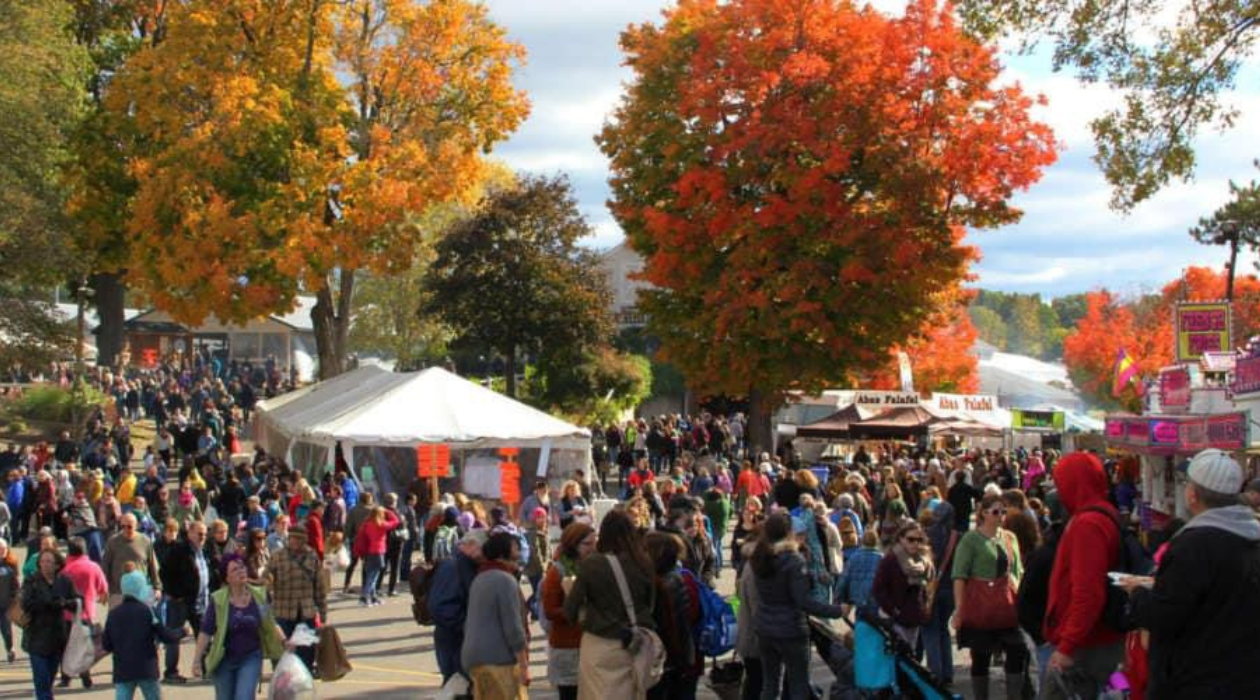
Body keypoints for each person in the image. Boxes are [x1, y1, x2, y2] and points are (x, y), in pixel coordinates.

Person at [1120, 449, 1260, 698]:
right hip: (1243, 678)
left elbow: (1164, 615)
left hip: (1196, 680)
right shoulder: (1251, 537)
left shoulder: (1193, 546)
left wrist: (1138, 593)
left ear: (1193, 495)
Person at [1042, 453, 1124, 698]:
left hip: (1086, 647)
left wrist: (1067, 646)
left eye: (1061, 484)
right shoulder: (1105, 513)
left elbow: (1088, 593)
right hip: (1100, 641)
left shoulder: (1088, 524)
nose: (1058, 491)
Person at [563, 508, 656, 700]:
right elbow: (651, 602)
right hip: (637, 642)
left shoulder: (592, 564)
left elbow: (570, 612)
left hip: (601, 643)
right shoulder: (644, 562)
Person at [750, 511, 844, 699]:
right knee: (798, 683)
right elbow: (803, 601)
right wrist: (836, 611)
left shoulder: (759, 556)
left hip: (764, 626)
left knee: (770, 683)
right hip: (791, 629)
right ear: (789, 533)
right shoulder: (792, 560)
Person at [951, 492, 1026, 700]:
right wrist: (959, 609)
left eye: (1003, 511)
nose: (1001, 515)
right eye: (995, 511)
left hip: (1007, 605)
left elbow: (1018, 572)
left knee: (1016, 652)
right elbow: (959, 575)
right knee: (981, 657)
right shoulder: (971, 539)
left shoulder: (1010, 538)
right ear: (983, 513)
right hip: (980, 607)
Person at [192, 554, 285, 699]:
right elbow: (205, 632)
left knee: (244, 697)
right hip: (224, 659)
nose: (241, 571)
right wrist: (197, 660)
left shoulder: (259, 596)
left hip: (251, 656)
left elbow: (270, 622)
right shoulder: (218, 600)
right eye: (235, 569)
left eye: (242, 567)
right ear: (227, 578)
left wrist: (286, 642)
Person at [462, 532, 530, 699]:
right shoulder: (504, 580)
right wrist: (523, 665)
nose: (519, 552)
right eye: (515, 548)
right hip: (497, 660)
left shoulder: (480, 577)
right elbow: (513, 627)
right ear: (502, 553)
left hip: (475, 657)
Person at [104, 570, 181, 700]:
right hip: (146, 668)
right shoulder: (147, 612)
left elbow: (106, 645)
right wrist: (181, 632)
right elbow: (165, 636)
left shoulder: (113, 614)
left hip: (123, 670)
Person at [645, 531, 702, 700]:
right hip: (682, 657)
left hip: (670, 659)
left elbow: (669, 624)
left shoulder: (663, 584)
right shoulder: (680, 577)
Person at [542, 522, 596, 700]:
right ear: (573, 544)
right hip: (567, 647)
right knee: (570, 695)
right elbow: (550, 611)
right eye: (587, 544)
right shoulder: (557, 571)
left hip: (589, 643)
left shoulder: (592, 565)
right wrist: (577, 610)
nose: (592, 548)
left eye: (594, 543)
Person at [429, 528, 488, 682]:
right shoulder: (453, 566)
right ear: (472, 545)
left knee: (460, 684)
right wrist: (465, 625)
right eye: (484, 551)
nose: (485, 557)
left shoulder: (464, 564)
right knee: (457, 683)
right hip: (453, 640)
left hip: (457, 637)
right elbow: (440, 607)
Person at [267, 525, 326, 675]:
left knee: (306, 652)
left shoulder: (312, 557)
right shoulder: (277, 556)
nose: (295, 542)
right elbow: (266, 578)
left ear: (304, 540)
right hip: (283, 611)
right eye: (293, 538)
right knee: (283, 653)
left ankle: (303, 679)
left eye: (299, 539)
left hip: (306, 613)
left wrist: (323, 613)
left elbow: (320, 587)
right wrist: (267, 581)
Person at [21, 548, 79, 700]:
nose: (45, 565)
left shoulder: (64, 581)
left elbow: (78, 601)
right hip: (36, 638)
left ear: (57, 564)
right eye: (42, 561)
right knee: (42, 684)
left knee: (48, 682)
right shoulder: (32, 581)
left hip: (57, 638)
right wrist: (47, 603)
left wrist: (64, 603)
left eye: (49, 561)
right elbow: (26, 604)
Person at [159, 520, 211, 684]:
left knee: (204, 635)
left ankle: (206, 668)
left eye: (204, 534)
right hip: (180, 602)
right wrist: (175, 594)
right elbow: (164, 572)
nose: (202, 537)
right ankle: (171, 672)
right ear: (190, 533)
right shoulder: (179, 550)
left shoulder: (203, 550)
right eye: (199, 533)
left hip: (200, 602)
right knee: (174, 636)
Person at [872, 521, 934, 647]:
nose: (915, 543)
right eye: (910, 539)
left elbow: (925, 587)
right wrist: (894, 611)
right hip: (896, 620)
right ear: (901, 539)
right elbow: (878, 589)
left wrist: (924, 607)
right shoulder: (891, 559)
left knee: (912, 658)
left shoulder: (923, 560)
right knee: (898, 658)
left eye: (919, 540)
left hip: (915, 617)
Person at [59, 536, 107, 689]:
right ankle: (86, 677)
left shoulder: (66, 570)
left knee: (67, 646)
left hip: (68, 614)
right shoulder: (94, 567)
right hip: (87, 613)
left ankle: (66, 677)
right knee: (84, 646)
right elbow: (103, 589)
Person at [923, 501, 958, 687]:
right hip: (950, 587)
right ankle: (947, 672)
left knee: (930, 631)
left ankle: (935, 673)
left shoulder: (928, 534)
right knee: (943, 629)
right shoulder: (956, 536)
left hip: (930, 586)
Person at [102, 513, 162, 608]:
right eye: (122, 526)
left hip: (141, 592)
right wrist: (103, 590)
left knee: (141, 621)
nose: (125, 529)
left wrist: (157, 587)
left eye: (129, 527)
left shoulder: (145, 541)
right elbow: (105, 566)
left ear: (137, 526)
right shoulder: (112, 542)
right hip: (118, 593)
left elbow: (153, 566)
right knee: (117, 621)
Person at [352, 504, 399, 606]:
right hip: (378, 552)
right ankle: (365, 597)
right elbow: (396, 521)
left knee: (371, 574)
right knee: (373, 576)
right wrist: (388, 511)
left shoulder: (367, 524)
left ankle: (373, 597)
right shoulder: (381, 524)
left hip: (368, 552)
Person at [523, 506, 550, 621]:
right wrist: (543, 568)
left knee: (537, 591)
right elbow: (535, 552)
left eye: (543, 517)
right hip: (535, 568)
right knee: (538, 591)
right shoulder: (532, 533)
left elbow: (547, 550)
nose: (542, 519)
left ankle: (534, 612)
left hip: (541, 566)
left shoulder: (543, 531)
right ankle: (528, 607)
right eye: (539, 517)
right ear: (534, 519)